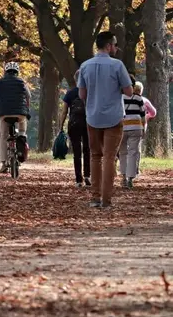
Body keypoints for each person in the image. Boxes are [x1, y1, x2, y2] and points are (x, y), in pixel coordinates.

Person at [78, 31, 133, 208]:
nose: (116, 48)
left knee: (95, 156)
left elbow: (82, 94)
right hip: (114, 117)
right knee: (110, 157)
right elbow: (129, 91)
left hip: (92, 116)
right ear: (109, 46)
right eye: (115, 44)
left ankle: (95, 197)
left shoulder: (85, 66)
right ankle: (107, 200)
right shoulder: (118, 66)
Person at [0, 62, 31, 173]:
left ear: (6, 71)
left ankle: (4, 163)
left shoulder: (0, 82)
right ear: (17, 72)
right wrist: (26, 108)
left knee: (3, 137)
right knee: (22, 131)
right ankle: (20, 146)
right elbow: (28, 96)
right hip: (20, 113)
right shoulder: (22, 82)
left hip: (4, 112)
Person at [59, 70, 91, 187]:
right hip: (88, 122)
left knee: (77, 151)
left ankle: (78, 180)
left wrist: (61, 126)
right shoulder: (89, 92)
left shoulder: (70, 93)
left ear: (75, 79)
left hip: (74, 123)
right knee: (87, 149)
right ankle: (88, 175)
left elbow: (64, 111)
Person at [119, 85, 146, 189]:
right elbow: (143, 115)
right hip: (136, 127)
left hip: (122, 128)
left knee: (122, 153)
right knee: (133, 153)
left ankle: (124, 177)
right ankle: (130, 178)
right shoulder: (139, 98)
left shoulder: (120, 98)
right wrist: (143, 128)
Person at [135, 81, 156, 176]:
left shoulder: (126, 99)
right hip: (140, 127)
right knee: (137, 148)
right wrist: (147, 116)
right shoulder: (144, 100)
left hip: (126, 126)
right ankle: (136, 169)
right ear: (141, 90)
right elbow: (154, 112)